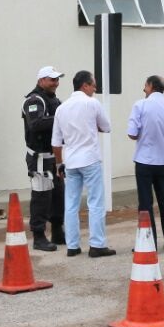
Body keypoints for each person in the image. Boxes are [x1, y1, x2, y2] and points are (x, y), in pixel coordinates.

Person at [51, 70, 114, 258]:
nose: (95, 88)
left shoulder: (61, 108)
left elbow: (56, 142)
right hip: (90, 159)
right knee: (95, 202)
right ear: (84, 85)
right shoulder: (92, 103)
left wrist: (59, 164)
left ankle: (72, 245)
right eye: (93, 85)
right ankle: (97, 244)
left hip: (70, 161)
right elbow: (107, 126)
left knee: (71, 203)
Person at [127, 75, 164, 251]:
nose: (144, 89)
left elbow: (132, 133)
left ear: (151, 86)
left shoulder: (140, 105)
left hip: (144, 160)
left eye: (145, 85)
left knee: (145, 203)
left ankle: (147, 242)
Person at [22, 65, 66, 250]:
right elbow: (36, 123)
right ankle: (38, 236)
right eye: (52, 79)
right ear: (41, 81)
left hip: (54, 156)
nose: (56, 83)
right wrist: (62, 118)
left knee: (58, 194)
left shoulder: (55, 100)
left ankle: (57, 231)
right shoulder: (34, 100)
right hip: (39, 157)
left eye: (57, 79)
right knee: (41, 196)